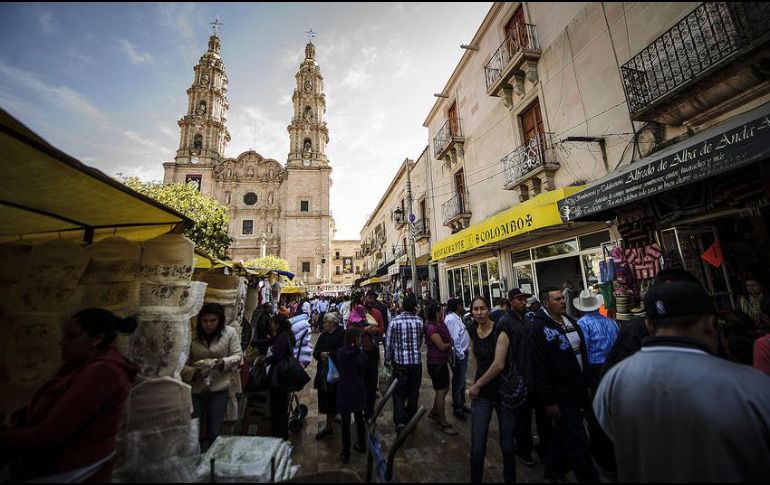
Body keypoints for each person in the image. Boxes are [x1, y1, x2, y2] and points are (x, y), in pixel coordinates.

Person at [594, 281, 770, 482]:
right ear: (710, 324)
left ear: (649, 326)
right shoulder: (752, 386)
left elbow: (605, 449)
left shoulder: (614, 380)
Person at [0, 309, 139, 482]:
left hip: (71, 470)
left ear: (97, 339)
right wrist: (15, 418)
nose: (62, 342)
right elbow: (52, 403)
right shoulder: (80, 365)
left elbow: (50, 434)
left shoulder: (103, 372)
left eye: (71, 336)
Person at [531, 287, 598, 483]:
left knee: (563, 436)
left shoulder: (570, 322)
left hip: (578, 391)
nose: (562, 301)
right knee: (579, 442)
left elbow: (581, 354)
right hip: (560, 394)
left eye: (562, 298)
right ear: (546, 303)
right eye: (557, 299)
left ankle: (553, 472)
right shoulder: (539, 328)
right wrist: (548, 399)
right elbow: (539, 366)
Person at [467, 295, 516, 484]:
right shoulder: (472, 330)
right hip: (483, 396)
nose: (479, 313)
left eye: (482, 308)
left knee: (507, 445)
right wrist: (477, 383)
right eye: (475, 309)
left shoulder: (500, 330)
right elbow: (476, 359)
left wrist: (477, 385)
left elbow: (498, 364)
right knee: (477, 448)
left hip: (504, 392)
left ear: (489, 309)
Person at [499, 288, 550, 468]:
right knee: (523, 419)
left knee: (542, 416)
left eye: (524, 299)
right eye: (519, 299)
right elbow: (503, 354)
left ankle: (544, 449)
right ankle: (523, 450)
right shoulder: (505, 322)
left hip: (534, 375)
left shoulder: (528, 319)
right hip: (518, 377)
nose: (523, 302)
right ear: (511, 301)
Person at [182, 303, 243, 448]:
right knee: (193, 430)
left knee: (214, 431)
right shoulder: (192, 335)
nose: (208, 325)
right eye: (205, 321)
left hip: (219, 389)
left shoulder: (229, 333)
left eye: (213, 321)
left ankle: (212, 463)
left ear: (219, 320)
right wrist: (194, 372)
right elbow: (181, 363)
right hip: (196, 390)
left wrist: (221, 362)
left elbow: (238, 356)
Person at [384, 293, 424, 434]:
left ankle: (400, 422)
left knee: (399, 393)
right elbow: (419, 342)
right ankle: (411, 418)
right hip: (415, 362)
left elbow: (388, 344)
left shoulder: (395, 321)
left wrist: (387, 359)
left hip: (400, 362)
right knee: (414, 392)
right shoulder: (419, 321)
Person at [254, 314, 296, 439]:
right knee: (279, 407)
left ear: (277, 325)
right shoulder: (282, 335)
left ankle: (280, 437)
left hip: (280, 377)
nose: (270, 326)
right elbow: (267, 341)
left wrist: (263, 360)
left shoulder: (283, 337)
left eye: (272, 323)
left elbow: (277, 356)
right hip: (281, 376)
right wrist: (251, 342)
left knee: (279, 408)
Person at [573, 289, 619, 393]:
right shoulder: (611, 322)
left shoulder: (582, 323)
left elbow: (584, 347)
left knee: (598, 395)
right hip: (612, 363)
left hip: (595, 366)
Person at [348, 290, 384, 420]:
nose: (371, 300)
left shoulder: (377, 313)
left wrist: (376, 330)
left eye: (374, 298)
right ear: (364, 298)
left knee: (371, 382)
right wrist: (364, 330)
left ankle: (369, 410)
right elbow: (350, 329)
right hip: (359, 352)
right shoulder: (357, 312)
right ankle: (359, 408)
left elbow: (381, 329)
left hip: (372, 352)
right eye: (369, 297)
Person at [424, 300, 458, 436]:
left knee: (444, 389)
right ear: (436, 312)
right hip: (436, 363)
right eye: (440, 310)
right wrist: (450, 343)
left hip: (441, 362)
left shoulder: (440, 324)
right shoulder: (432, 328)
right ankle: (442, 420)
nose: (442, 312)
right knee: (441, 391)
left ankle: (434, 411)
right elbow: (442, 346)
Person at [336, 327, 368, 464]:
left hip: (344, 388)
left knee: (345, 422)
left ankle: (346, 452)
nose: (361, 340)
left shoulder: (340, 352)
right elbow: (363, 370)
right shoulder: (360, 354)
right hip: (358, 388)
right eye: (360, 337)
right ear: (355, 339)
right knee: (359, 418)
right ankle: (362, 444)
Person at [313, 313, 345, 440]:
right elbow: (316, 351)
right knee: (326, 397)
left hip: (337, 371)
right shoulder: (323, 336)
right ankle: (328, 425)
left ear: (333, 323)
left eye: (326, 322)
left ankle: (335, 419)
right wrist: (320, 355)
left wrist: (330, 354)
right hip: (324, 372)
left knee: (337, 395)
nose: (324, 324)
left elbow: (343, 351)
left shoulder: (342, 334)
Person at [444, 298, 471, 421]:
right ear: (457, 306)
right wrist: (460, 354)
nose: (462, 307)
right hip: (458, 354)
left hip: (463, 353)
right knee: (458, 381)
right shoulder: (451, 319)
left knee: (462, 380)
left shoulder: (457, 317)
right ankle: (457, 408)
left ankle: (461, 403)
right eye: (461, 305)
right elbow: (454, 338)